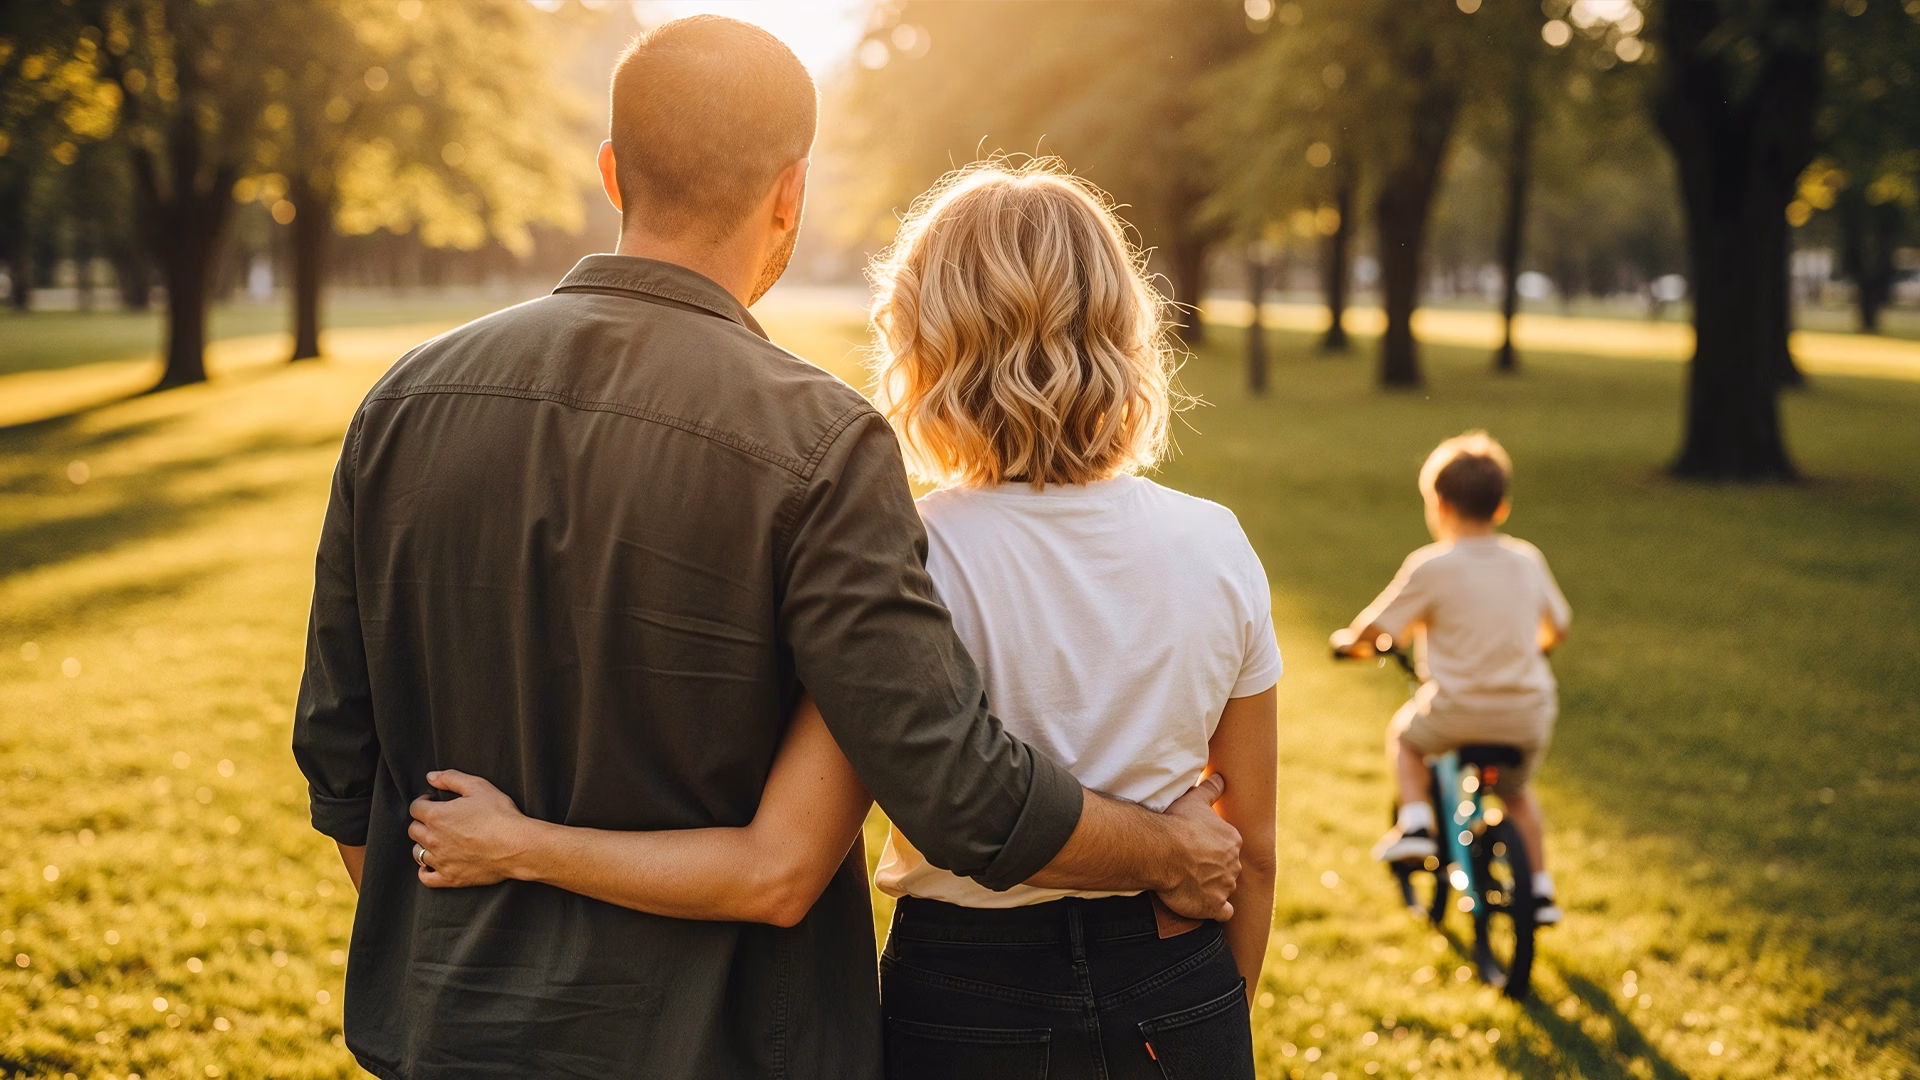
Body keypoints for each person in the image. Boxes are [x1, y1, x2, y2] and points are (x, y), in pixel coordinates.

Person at [291, 19, 1240, 1080]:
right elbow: (953, 785)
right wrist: (1169, 849)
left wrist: (481, 929)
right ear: (791, 194)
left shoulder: (401, 405)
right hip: (722, 1042)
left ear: (613, 174)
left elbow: (340, 760)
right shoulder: (821, 443)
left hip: (450, 1031)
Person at [1332, 431, 1570, 924]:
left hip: (1457, 710)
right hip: (1528, 712)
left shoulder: (1432, 566)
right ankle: (1541, 891)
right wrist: (1530, 645)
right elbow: (1558, 627)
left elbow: (1374, 629)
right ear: (1501, 507)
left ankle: (1417, 823)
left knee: (1405, 735)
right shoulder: (1527, 559)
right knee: (1517, 794)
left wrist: (1348, 643)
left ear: (1438, 504)